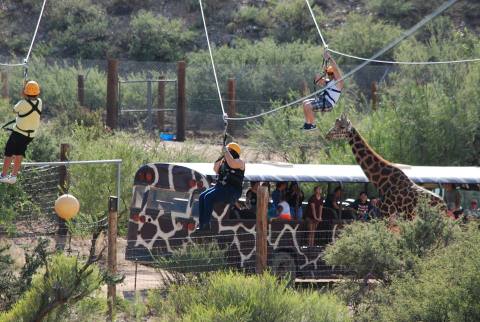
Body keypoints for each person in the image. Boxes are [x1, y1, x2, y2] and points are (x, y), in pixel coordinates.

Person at [0, 81, 42, 184]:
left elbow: (14, 110)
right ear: (38, 93)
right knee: (19, 153)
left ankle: (3, 175)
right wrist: (25, 93)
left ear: (25, 93)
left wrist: (23, 95)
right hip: (30, 135)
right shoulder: (40, 102)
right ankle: (13, 176)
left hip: (19, 133)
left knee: (9, 153)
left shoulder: (22, 103)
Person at [197, 142, 245, 231]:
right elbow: (215, 169)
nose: (226, 152)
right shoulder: (224, 162)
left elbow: (232, 164)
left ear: (233, 152)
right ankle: (202, 223)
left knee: (208, 197)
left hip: (232, 191)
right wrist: (221, 156)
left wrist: (226, 151)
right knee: (202, 196)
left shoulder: (240, 162)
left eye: (228, 150)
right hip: (221, 188)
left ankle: (206, 224)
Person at [301, 51, 344, 131]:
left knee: (308, 106)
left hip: (328, 103)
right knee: (304, 103)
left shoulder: (339, 83)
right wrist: (324, 66)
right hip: (322, 100)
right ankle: (308, 124)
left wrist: (329, 58)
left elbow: (335, 68)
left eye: (331, 73)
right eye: (329, 73)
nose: (329, 75)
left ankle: (312, 125)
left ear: (334, 74)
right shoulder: (328, 81)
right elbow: (317, 80)